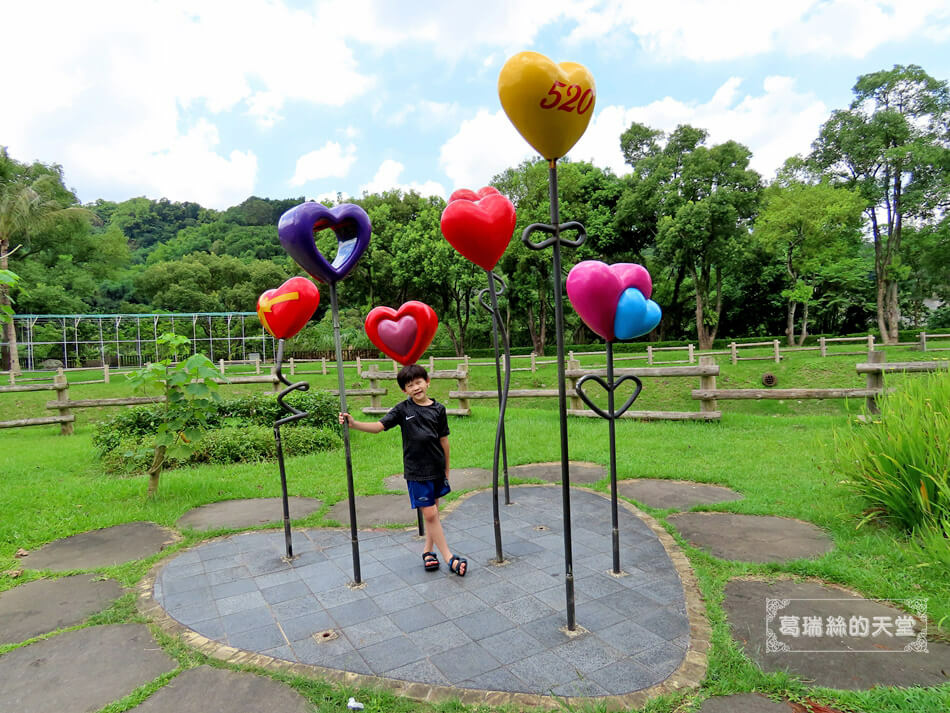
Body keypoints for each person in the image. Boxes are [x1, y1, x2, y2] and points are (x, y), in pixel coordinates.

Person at [339, 363, 467, 576]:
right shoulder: (402, 410)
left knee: (431, 515)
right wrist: (354, 424)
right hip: (417, 473)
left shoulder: (439, 409)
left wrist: (447, 469)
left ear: (427, 382)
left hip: (436, 469)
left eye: (418, 382)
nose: (416, 388)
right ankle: (449, 557)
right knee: (431, 514)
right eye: (410, 385)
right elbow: (379, 427)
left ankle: (427, 551)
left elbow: (444, 441)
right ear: (404, 390)